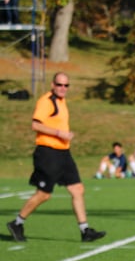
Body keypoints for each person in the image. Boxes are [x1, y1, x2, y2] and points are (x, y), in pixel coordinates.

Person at [6, 73, 106, 243]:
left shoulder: (61, 101)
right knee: (44, 194)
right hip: (48, 153)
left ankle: (85, 230)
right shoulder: (47, 101)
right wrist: (59, 133)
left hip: (63, 153)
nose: (63, 88)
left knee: (77, 189)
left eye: (66, 85)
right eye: (60, 84)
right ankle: (17, 223)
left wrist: (65, 136)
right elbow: (35, 124)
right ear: (53, 84)